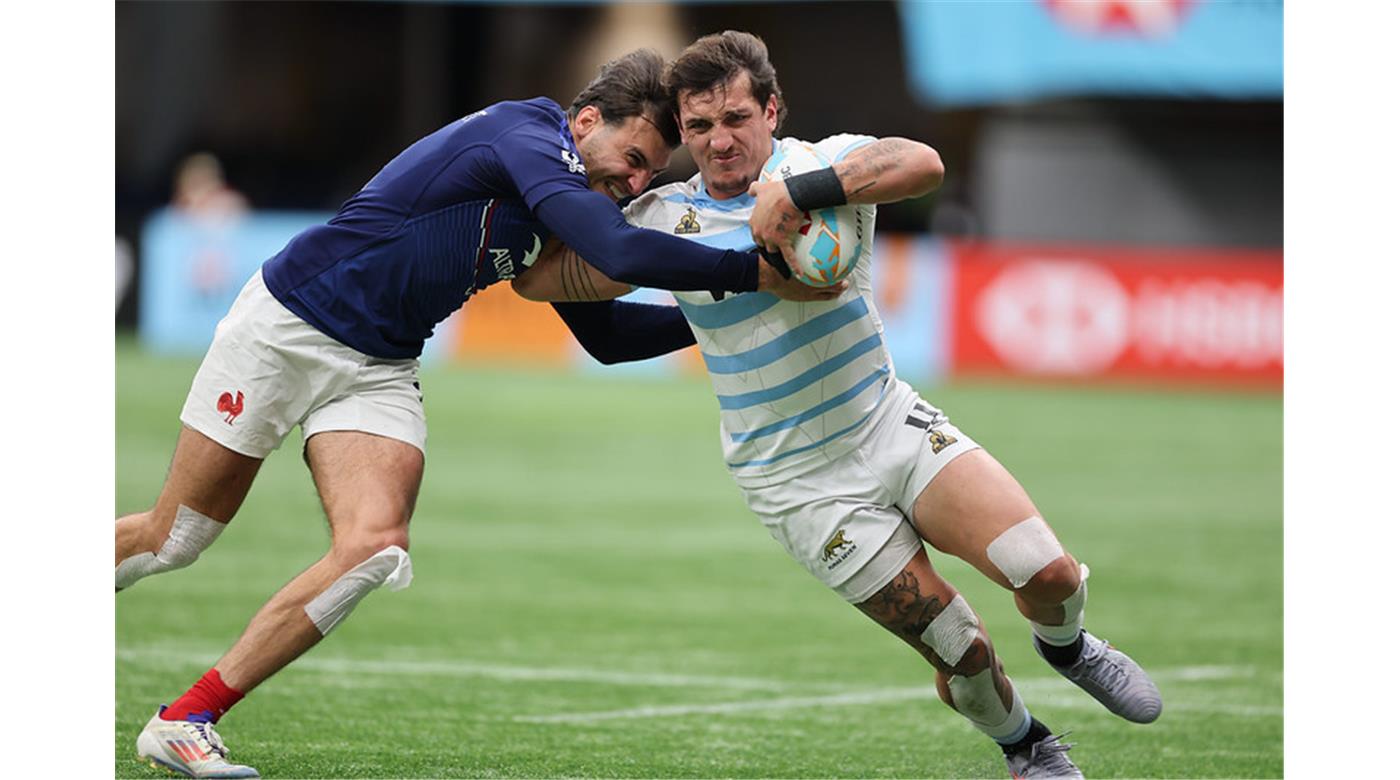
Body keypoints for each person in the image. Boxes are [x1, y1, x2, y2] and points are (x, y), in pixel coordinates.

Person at [115, 48, 831, 780]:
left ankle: (187, 721)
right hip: (291, 326)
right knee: (175, 539)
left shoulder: (570, 200)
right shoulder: (523, 140)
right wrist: (757, 273)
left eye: (651, 172)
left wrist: (728, 315)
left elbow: (608, 340)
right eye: (636, 157)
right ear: (587, 121)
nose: (639, 181)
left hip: (380, 364)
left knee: (375, 546)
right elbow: (618, 248)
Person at [514, 31, 1161, 780]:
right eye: (698, 128)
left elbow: (923, 164)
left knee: (1045, 573)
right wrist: (572, 199)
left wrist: (803, 194)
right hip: (797, 484)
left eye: (735, 118)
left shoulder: (821, 161)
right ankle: (1027, 746)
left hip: (889, 424)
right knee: (964, 648)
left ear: (772, 110)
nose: (718, 141)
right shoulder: (661, 218)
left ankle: (1071, 645)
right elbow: (540, 283)